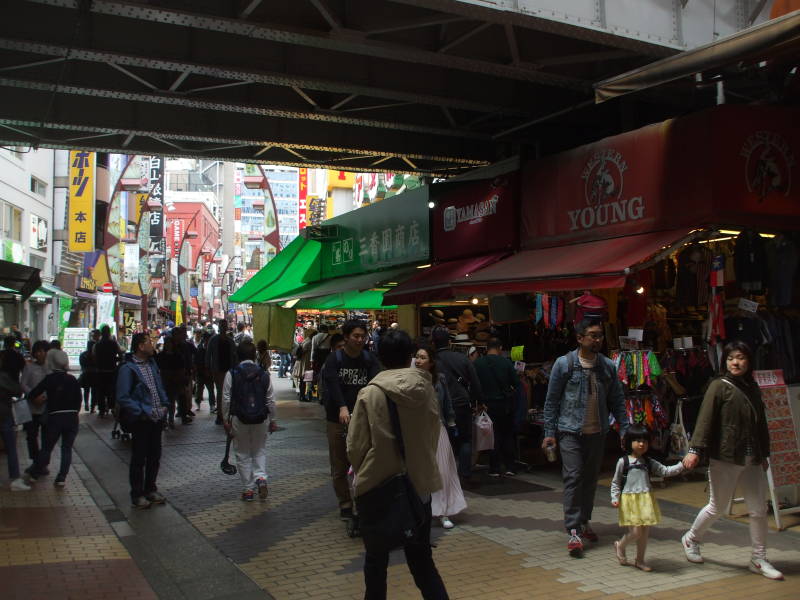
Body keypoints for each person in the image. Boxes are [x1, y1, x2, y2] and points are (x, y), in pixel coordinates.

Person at [347, 329, 449, 600]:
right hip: (419, 485)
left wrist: (368, 467)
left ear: (380, 357)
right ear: (410, 357)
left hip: (378, 485)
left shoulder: (370, 394)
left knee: (376, 561)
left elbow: (355, 447)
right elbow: (433, 433)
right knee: (421, 560)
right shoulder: (425, 388)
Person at [680, 341, 783, 580]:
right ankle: (691, 539)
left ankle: (758, 558)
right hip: (726, 455)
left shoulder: (753, 387)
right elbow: (705, 420)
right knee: (717, 506)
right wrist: (695, 449)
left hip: (753, 457)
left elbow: (761, 423)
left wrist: (765, 453)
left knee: (758, 509)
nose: (735, 363)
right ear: (724, 362)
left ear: (749, 360)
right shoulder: (719, 386)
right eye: (730, 358)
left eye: (740, 358)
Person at [542, 317, 628, 557]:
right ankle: (573, 529)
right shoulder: (564, 364)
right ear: (579, 338)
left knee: (590, 479)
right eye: (592, 335)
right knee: (573, 476)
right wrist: (549, 434)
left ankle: (585, 521)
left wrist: (624, 429)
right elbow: (551, 402)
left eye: (600, 335)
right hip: (570, 431)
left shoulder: (607, 366)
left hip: (597, 433)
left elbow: (618, 401)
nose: (598, 339)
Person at [321, 320, 380, 519]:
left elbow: (374, 385)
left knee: (364, 462)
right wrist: (342, 407)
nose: (360, 340)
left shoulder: (369, 359)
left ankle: (362, 500)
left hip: (363, 420)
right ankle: (345, 503)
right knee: (339, 464)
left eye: (363, 336)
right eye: (356, 336)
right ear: (346, 337)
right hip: (337, 420)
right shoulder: (334, 360)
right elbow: (333, 385)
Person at [610, 425, 686, 571]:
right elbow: (616, 482)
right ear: (629, 442)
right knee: (636, 532)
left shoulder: (648, 462)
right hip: (629, 501)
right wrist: (615, 497)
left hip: (646, 500)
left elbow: (665, 471)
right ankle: (620, 545)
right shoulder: (623, 462)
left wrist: (682, 465)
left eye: (645, 441)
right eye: (637, 440)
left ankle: (640, 560)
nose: (641, 444)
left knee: (644, 533)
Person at [116, 332, 170, 509]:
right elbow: (123, 397)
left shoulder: (152, 364)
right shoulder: (128, 368)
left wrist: (164, 404)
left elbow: (158, 386)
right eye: (148, 342)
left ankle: (150, 489)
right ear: (140, 346)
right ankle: (137, 494)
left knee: (155, 455)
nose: (152, 344)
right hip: (142, 419)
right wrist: (141, 411)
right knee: (139, 457)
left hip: (157, 417)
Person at [415, 343, 465, 530]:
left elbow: (447, 404)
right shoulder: (409, 380)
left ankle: (443, 511)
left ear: (431, 362)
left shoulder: (439, 380)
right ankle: (422, 511)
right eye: (417, 357)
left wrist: (451, 423)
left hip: (438, 428)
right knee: (420, 472)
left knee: (443, 471)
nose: (419, 361)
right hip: (418, 432)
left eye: (423, 357)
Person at [222, 341, 277, 501]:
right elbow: (270, 400)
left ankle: (248, 490)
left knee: (242, 452)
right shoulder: (263, 373)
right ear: (254, 355)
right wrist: (273, 419)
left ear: (237, 356)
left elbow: (226, 398)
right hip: (261, 418)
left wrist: (225, 419)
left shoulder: (231, 373)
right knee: (259, 449)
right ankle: (261, 478)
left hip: (239, 418)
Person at [430, 326, 483, 487]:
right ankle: (464, 475)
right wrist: (478, 402)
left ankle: (446, 476)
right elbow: (475, 382)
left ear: (433, 343)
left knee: (443, 441)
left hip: (438, 406)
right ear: (450, 341)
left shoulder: (431, 362)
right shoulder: (462, 359)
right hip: (461, 404)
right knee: (465, 440)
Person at [23, 350, 82, 487]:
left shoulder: (50, 379)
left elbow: (33, 393)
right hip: (72, 417)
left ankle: (35, 474)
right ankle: (61, 477)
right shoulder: (72, 379)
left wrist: (44, 398)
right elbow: (79, 399)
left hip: (55, 417)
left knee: (47, 447)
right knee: (67, 448)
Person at [473, 338, 519, 477]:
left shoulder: (478, 363)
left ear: (486, 348)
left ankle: (494, 468)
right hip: (504, 404)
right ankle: (510, 466)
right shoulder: (506, 363)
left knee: (492, 436)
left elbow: (474, 385)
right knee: (507, 435)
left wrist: (479, 402)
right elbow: (516, 383)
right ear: (499, 347)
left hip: (487, 405)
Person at [0, 352, 30, 491]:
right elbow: (17, 391)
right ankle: (15, 479)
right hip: (4, 414)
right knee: (11, 447)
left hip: (5, 414)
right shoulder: (5, 377)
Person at [21, 340, 50, 464]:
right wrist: (33, 396)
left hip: (46, 408)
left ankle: (43, 462)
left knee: (46, 437)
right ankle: (35, 460)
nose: (39, 354)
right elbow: (23, 384)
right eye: (37, 351)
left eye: (42, 351)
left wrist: (45, 397)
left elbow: (54, 385)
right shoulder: (29, 367)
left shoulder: (50, 368)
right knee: (31, 436)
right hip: (31, 407)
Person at [206, 319, 238, 425]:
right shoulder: (214, 340)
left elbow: (235, 356)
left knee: (227, 393)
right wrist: (208, 369)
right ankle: (220, 415)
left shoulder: (230, 340)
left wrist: (235, 369)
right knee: (220, 392)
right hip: (218, 370)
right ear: (220, 327)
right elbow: (208, 355)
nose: (224, 327)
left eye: (225, 325)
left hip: (228, 370)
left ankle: (226, 413)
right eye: (222, 325)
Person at [92, 325, 121, 417]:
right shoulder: (114, 343)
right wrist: (115, 360)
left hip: (100, 371)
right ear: (109, 333)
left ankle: (101, 410)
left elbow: (94, 357)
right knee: (111, 390)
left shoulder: (97, 344)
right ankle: (112, 407)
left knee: (101, 391)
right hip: (112, 370)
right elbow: (120, 354)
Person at [193, 331, 216, 412]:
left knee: (210, 389)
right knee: (199, 389)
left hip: (208, 372)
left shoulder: (210, 348)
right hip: (201, 372)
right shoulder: (200, 348)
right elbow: (196, 360)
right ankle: (198, 403)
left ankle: (212, 405)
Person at [292, 327, 315, 402]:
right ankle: (302, 396)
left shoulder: (306, 340)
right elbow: (303, 351)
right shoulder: (309, 342)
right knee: (304, 380)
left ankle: (302, 396)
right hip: (305, 363)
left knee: (303, 380)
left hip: (303, 362)